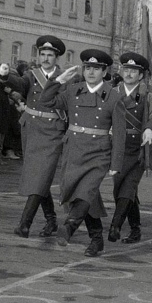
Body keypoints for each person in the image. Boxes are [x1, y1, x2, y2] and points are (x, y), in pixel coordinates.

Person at [40, 49, 126, 257]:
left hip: (98, 153)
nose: (91, 72)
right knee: (85, 196)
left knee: (86, 191)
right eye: (88, 68)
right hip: (74, 150)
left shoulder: (113, 97)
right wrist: (58, 80)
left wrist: (115, 164)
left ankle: (69, 226)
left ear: (105, 72)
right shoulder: (73, 90)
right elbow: (46, 100)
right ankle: (97, 239)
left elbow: (120, 134)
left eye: (96, 69)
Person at [14, 35, 68, 239]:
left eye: (50, 55)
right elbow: (18, 84)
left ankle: (24, 224)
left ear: (57, 57)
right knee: (38, 176)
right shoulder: (30, 75)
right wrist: (5, 79)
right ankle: (51, 219)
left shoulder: (65, 78)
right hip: (31, 128)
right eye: (42, 54)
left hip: (53, 130)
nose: (45, 58)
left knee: (41, 175)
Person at [107, 52, 152, 244]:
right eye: (126, 69)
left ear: (141, 75)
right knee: (120, 189)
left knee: (129, 186)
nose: (129, 73)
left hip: (139, 148)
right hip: (117, 147)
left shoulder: (148, 96)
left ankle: (115, 226)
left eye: (134, 71)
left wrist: (149, 129)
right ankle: (135, 229)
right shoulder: (112, 93)